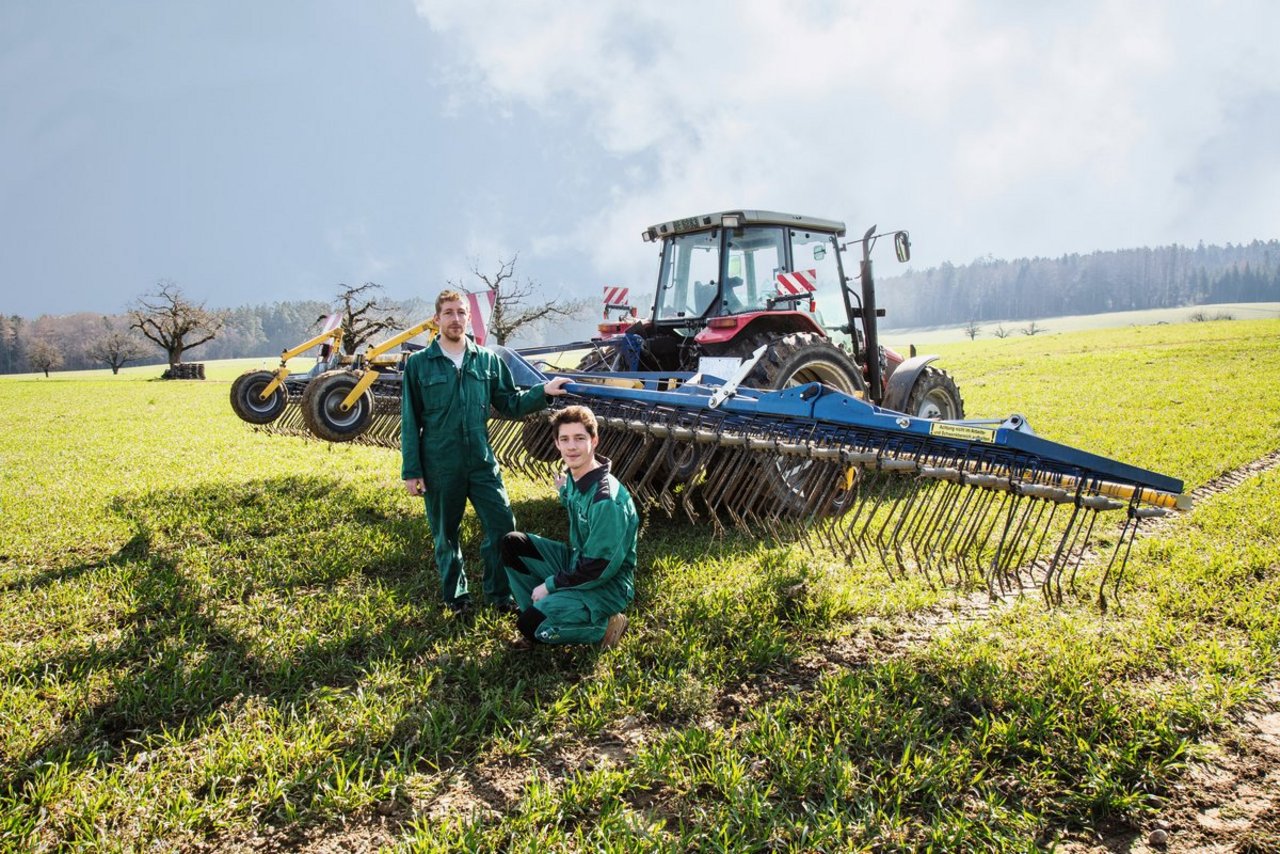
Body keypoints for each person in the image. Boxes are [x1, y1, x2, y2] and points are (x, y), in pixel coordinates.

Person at [401, 289, 569, 613]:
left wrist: (543, 392)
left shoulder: (487, 360)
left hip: (481, 460)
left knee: (503, 525)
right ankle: (457, 597)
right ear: (437, 319)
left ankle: (499, 594)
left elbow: (509, 402)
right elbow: (410, 421)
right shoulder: (420, 365)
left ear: (469, 317)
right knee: (445, 534)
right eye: (448, 312)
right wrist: (412, 470)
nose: (456, 318)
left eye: (461, 312)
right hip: (439, 461)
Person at [502, 405, 639, 649]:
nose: (572, 446)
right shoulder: (577, 476)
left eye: (579, 438)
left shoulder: (607, 501)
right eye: (564, 439)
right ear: (556, 443)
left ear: (594, 440)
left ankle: (604, 626)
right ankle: (538, 612)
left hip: (607, 585)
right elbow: (577, 503)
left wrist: (550, 584)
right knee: (513, 544)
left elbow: (599, 567)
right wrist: (564, 491)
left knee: (531, 625)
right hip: (578, 562)